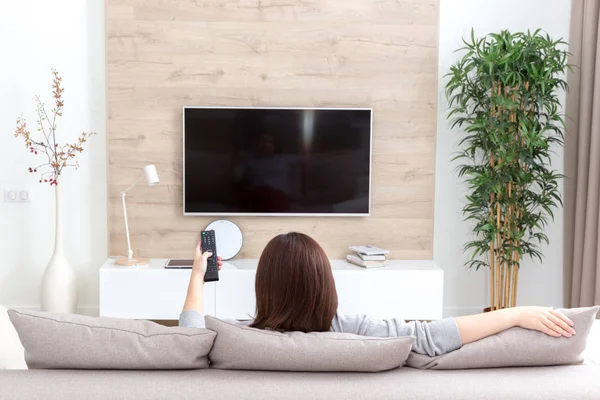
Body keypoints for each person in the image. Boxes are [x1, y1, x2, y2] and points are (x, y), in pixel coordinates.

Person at [179, 232, 576, 356]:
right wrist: (514, 313)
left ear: (262, 285)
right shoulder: (357, 331)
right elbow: (431, 337)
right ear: (324, 283)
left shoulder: (237, 336)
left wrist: (198, 274)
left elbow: (190, 334)